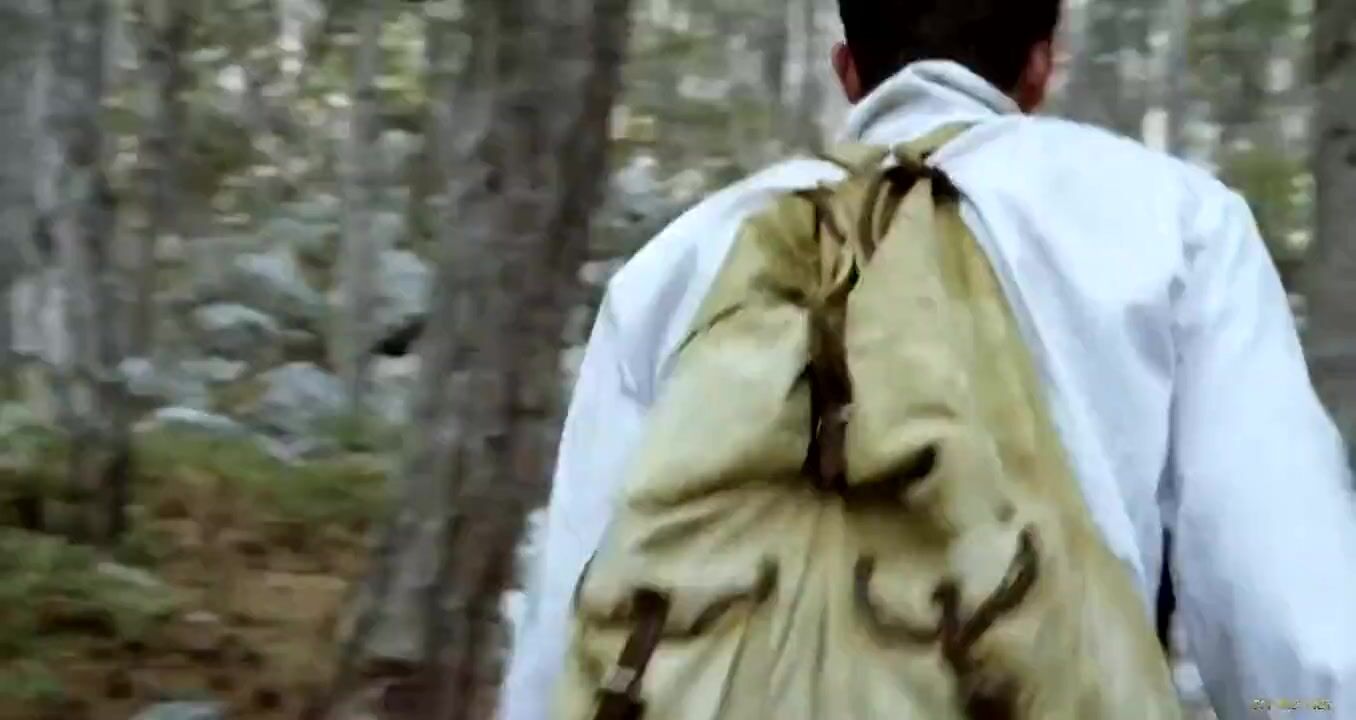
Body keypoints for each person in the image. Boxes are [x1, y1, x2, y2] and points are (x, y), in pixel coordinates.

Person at [500, 1, 1356, 718]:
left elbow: (563, 642)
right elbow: (1290, 622)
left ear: (848, 71)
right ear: (1040, 66)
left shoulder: (674, 264)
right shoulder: (1177, 224)